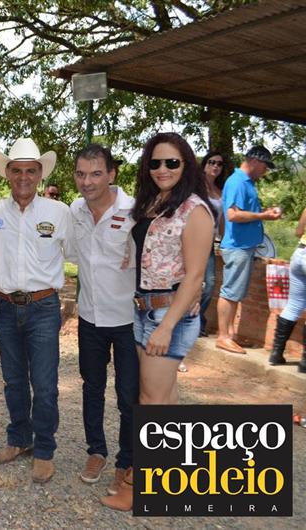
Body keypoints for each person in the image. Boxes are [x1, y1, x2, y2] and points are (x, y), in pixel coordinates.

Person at [101, 132, 213, 512]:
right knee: (165, 399)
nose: (162, 169)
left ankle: (140, 486)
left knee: (150, 402)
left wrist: (166, 327)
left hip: (169, 314)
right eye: (155, 162)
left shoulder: (195, 210)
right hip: (144, 308)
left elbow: (195, 277)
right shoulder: (153, 204)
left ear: (186, 165)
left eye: (171, 162)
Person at [0, 138, 73, 484]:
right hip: (4, 307)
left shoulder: (59, 213)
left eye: (30, 171)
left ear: (40, 173)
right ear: (7, 173)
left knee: (44, 385)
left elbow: (78, 251)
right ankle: (19, 439)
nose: (23, 177)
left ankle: (44, 450)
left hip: (43, 307)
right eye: (16, 170)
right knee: (14, 381)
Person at [68, 144, 139, 494]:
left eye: (96, 173)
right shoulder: (75, 210)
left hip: (128, 320)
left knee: (129, 396)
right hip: (90, 318)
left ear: (111, 174)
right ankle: (96, 451)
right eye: (81, 174)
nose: (88, 181)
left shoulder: (134, 211)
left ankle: (127, 462)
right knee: (92, 388)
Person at [215, 146, 281, 354]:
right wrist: (263, 216)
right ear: (254, 161)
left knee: (235, 293)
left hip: (244, 246)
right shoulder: (238, 182)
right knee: (229, 292)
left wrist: (263, 212)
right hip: (238, 246)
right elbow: (233, 215)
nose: (265, 171)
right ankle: (223, 337)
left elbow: (243, 212)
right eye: (265, 166)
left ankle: (230, 335)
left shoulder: (246, 183)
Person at [268, 206, 306, 373]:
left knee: (293, 305)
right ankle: (304, 362)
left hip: (300, 254)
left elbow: (299, 232)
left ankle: (276, 354)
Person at [195, 151, 228, 340]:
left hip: (209, 243)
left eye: (219, 164)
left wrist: (223, 242)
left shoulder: (221, 190)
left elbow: (222, 220)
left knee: (209, 284)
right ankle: (191, 322)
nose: (215, 166)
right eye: (212, 162)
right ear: (205, 164)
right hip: (192, 240)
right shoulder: (195, 187)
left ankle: (196, 319)